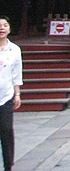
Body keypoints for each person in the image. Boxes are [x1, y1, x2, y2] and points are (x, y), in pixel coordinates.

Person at [0, 15, 22, 171]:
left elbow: (16, 73)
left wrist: (17, 94)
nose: (1, 28)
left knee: (7, 130)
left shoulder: (14, 49)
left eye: (5, 25)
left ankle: (8, 165)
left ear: (9, 28)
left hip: (6, 95)